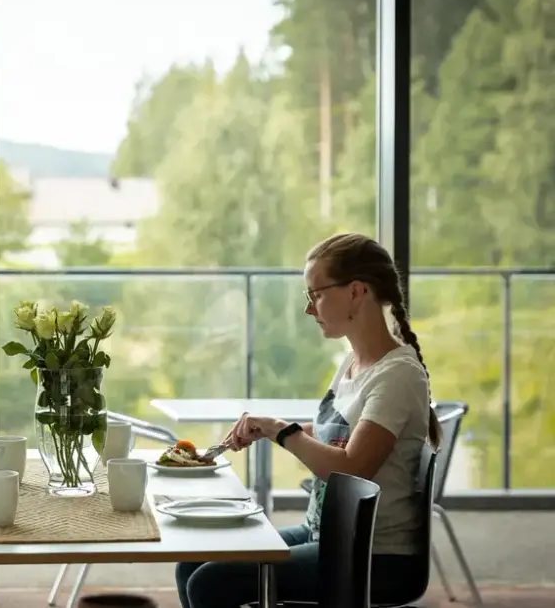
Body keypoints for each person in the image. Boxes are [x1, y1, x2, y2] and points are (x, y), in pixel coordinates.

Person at [176, 232, 442, 608]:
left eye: (316, 294)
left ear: (356, 292)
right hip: (326, 534)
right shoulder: (353, 363)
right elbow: (339, 435)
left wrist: (280, 430)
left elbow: (353, 468)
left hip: (372, 553)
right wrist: (270, 429)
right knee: (192, 563)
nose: (309, 309)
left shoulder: (397, 375)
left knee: (211, 582)